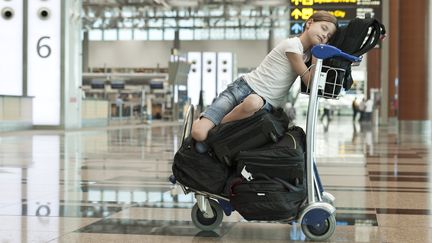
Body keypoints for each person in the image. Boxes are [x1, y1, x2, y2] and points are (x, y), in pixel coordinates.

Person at [191, 11, 337, 145]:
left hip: (262, 102)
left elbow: (313, 84)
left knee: (253, 102)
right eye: (324, 28)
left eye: (329, 36)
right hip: (242, 87)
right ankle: (205, 127)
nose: (325, 35)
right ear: (309, 23)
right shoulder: (292, 46)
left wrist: (316, 54)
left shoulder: (307, 56)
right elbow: (310, 81)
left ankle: (217, 130)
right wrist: (319, 55)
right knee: (199, 134)